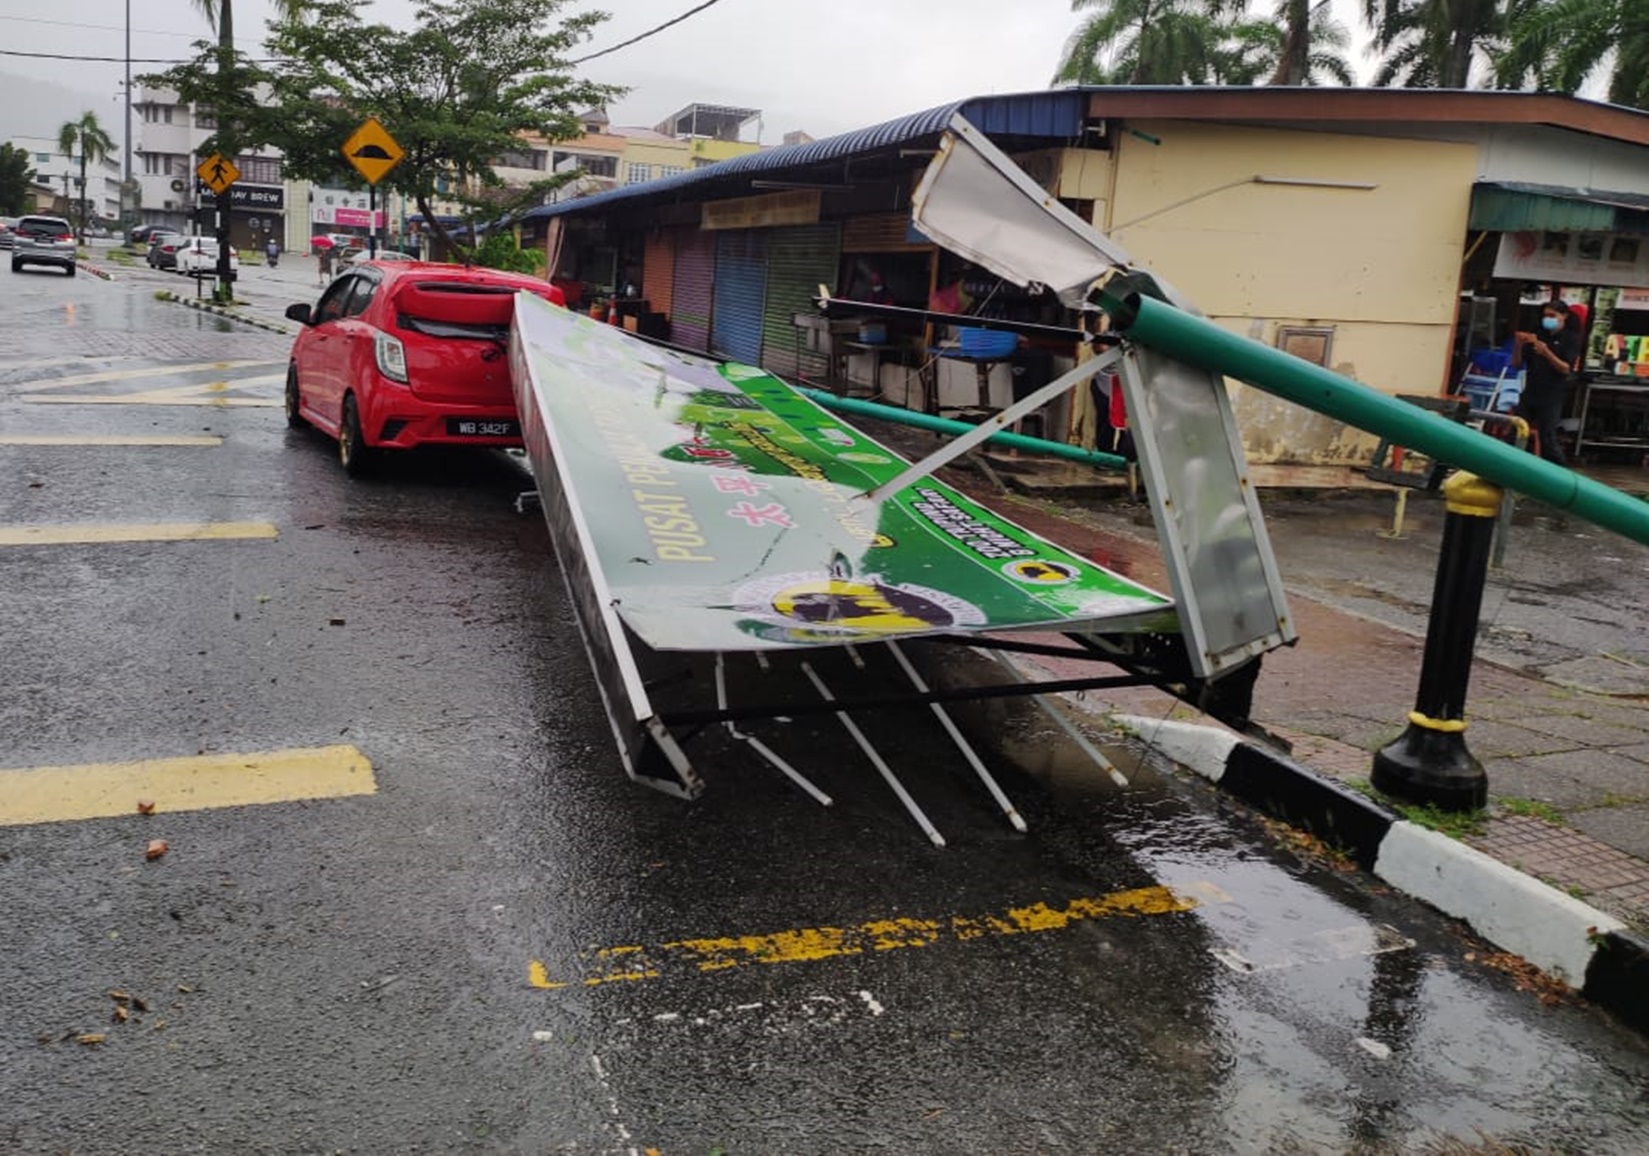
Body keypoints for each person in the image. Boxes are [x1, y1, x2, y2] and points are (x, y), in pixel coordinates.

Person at [1514, 300, 1580, 466]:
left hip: (1552, 394)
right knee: (1516, 431)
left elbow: (1566, 368)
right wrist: (1518, 345)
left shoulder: (1570, 338)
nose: (1547, 319)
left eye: (1552, 315)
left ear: (1564, 316)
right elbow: (1517, 364)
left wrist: (1546, 352)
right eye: (1545, 316)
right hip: (1530, 391)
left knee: (1547, 438)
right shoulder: (1538, 334)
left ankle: (1562, 474)